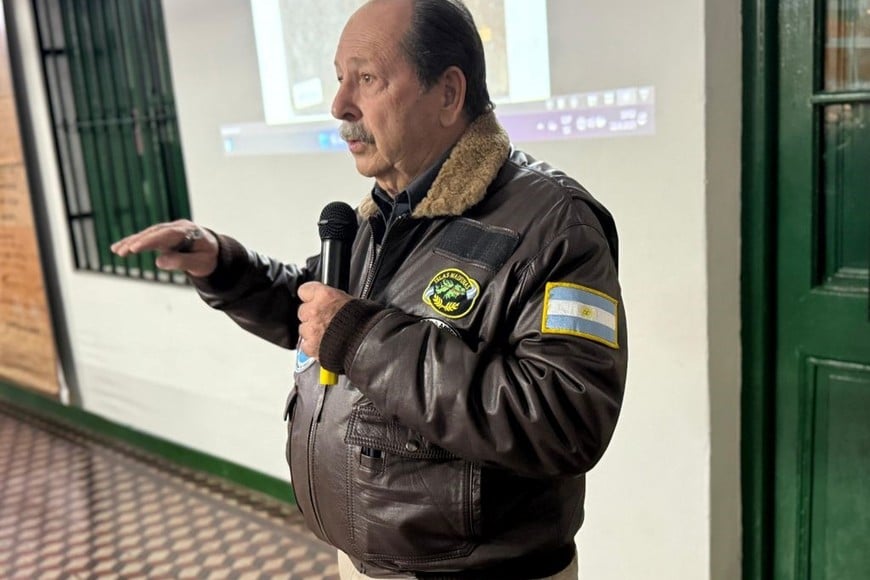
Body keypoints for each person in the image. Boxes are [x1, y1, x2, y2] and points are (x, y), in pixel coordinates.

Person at [111, 0, 627, 578]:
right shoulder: (383, 211)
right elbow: (315, 315)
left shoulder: (555, 224)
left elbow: (562, 419)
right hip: (362, 562)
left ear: (449, 93)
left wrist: (363, 337)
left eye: (367, 78)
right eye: (338, 78)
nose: (339, 105)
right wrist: (223, 265)